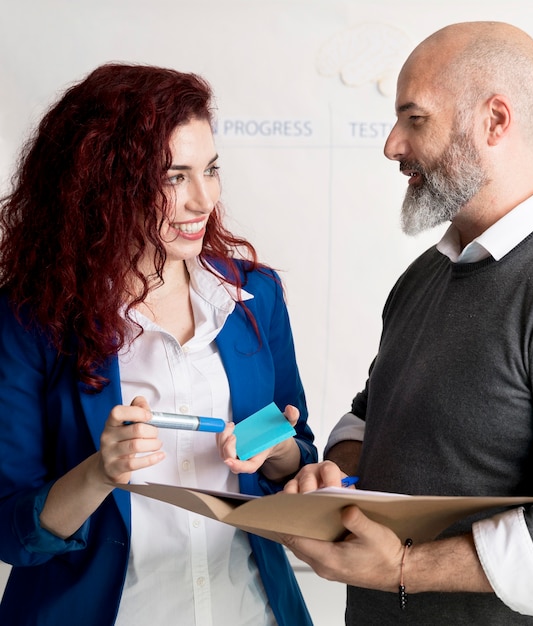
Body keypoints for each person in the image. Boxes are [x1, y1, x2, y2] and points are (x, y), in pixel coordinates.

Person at [283, 21, 533, 624]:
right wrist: (334, 473)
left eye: (415, 119)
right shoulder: (423, 278)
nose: (391, 145)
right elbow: (373, 417)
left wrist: (401, 567)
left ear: (496, 121)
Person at [0, 63, 317, 626]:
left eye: (211, 170)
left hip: (251, 610)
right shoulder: (29, 320)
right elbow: (12, 530)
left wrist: (280, 450)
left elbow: (297, 459)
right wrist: (101, 471)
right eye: (174, 177)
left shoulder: (255, 297)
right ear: (101, 184)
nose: (203, 199)